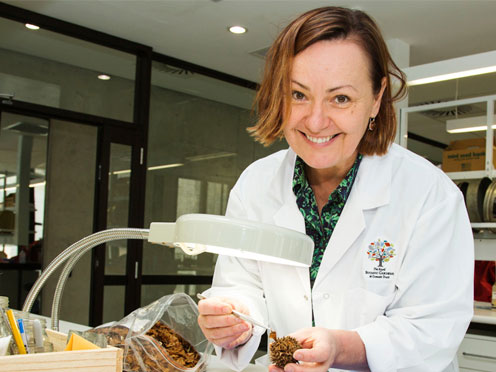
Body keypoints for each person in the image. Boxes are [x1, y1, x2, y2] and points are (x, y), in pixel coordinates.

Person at [198, 6, 473, 372]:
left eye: (340, 98)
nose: (315, 120)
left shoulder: (429, 194)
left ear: (376, 98)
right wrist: (233, 318)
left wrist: (341, 347)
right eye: (298, 94)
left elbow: (432, 328)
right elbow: (239, 284)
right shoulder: (256, 184)